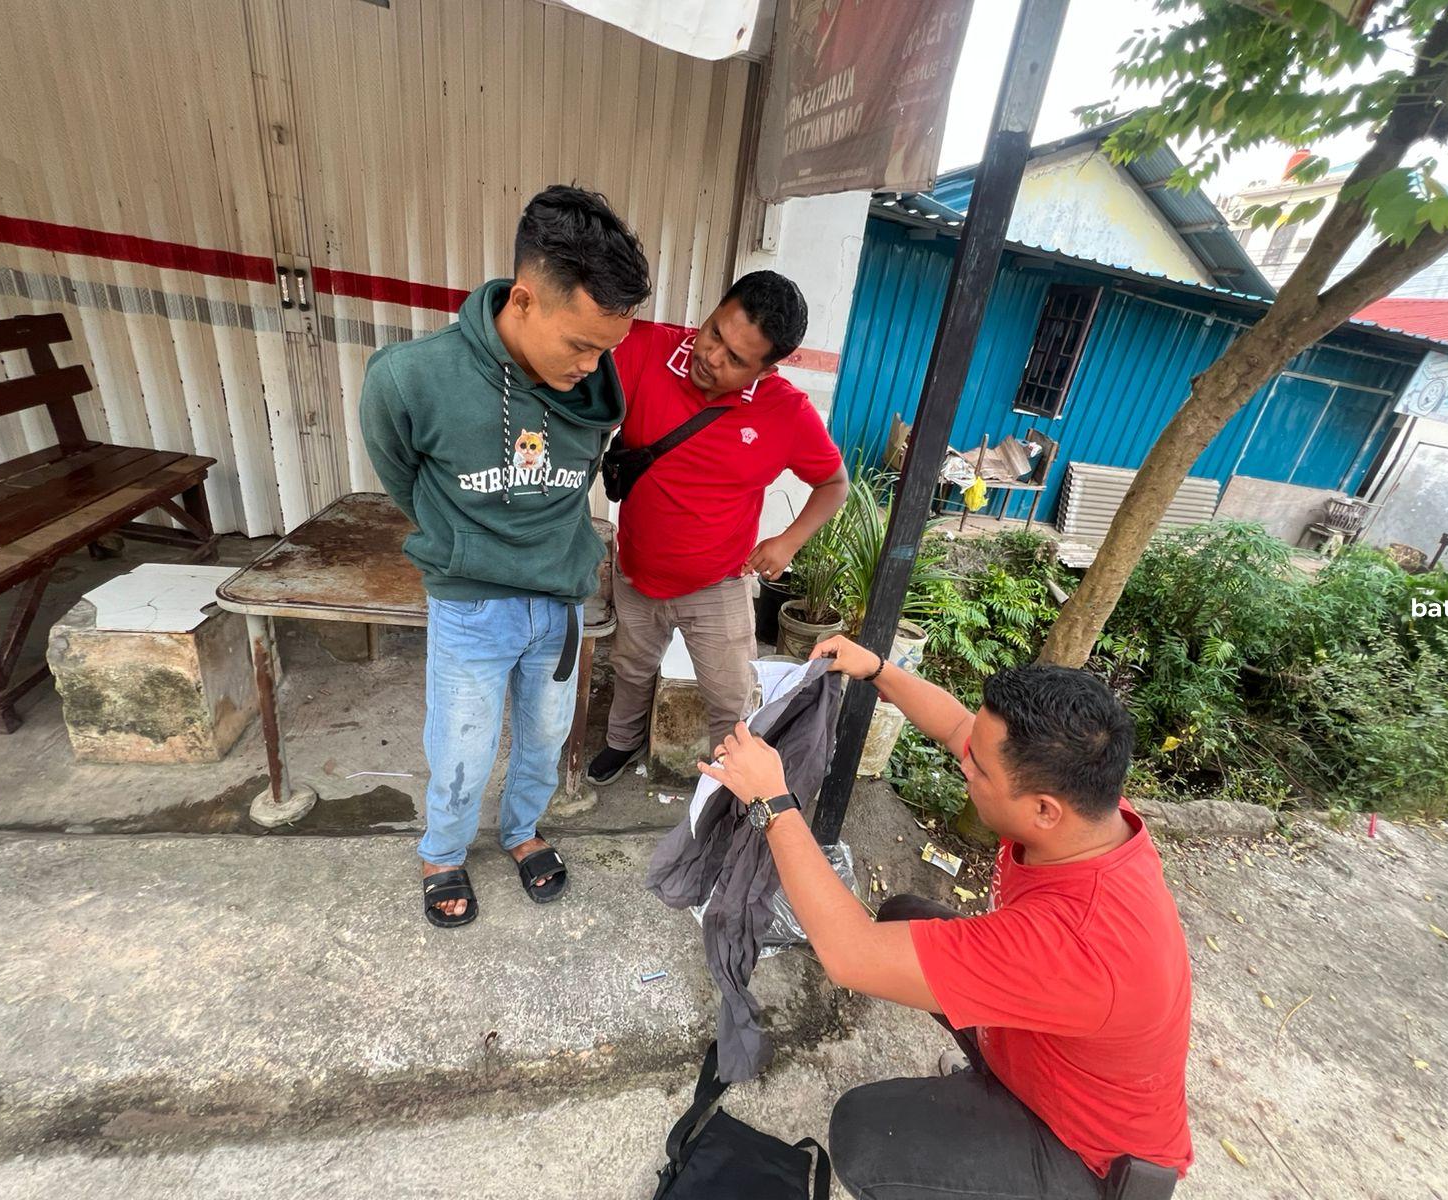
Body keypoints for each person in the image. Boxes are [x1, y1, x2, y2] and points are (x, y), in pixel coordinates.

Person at [698, 635, 1193, 1200]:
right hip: (1047, 1043)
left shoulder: (1071, 944)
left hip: (1087, 1157)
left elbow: (850, 957)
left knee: (865, 1135)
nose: (964, 765)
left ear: (1044, 810)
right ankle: (996, 1074)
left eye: (979, 769)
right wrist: (876, 670)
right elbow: (959, 727)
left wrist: (772, 803)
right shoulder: (1089, 816)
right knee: (902, 915)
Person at [360, 185, 651, 925]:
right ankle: (443, 850)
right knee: (462, 745)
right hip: (472, 604)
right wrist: (458, 535)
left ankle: (522, 829)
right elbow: (401, 472)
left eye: (606, 348)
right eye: (579, 343)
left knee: (547, 739)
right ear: (522, 300)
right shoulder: (411, 378)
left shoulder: (594, 387)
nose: (593, 363)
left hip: (560, 605)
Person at [585, 271, 848, 786]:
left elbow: (834, 484)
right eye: (714, 333)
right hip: (636, 570)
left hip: (718, 586)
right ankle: (622, 740)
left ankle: (732, 786)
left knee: (731, 699)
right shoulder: (647, 350)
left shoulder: (786, 413)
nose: (710, 357)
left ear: (766, 369)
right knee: (631, 670)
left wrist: (788, 541)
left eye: (736, 359)